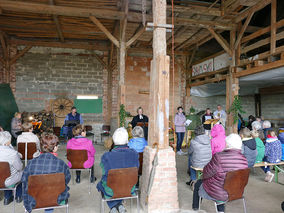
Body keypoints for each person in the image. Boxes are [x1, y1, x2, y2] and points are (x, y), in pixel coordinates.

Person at [192, 133, 248, 212]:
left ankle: (195, 209)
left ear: (227, 144)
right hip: (236, 192)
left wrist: (204, 175)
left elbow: (206, 173)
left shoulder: (219, 157)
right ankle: (220, 211)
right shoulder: (244, 159)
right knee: (223, 183)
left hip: (219, 194)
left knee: (198, 183)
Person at [22, 133, 70, 213]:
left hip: (34, 198)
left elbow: (24, 181)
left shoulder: (31, 164)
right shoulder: (60, 164)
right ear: (54, 148)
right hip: (56, 197)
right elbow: (67, 179)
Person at [97, 127, 139, 213]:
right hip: (129, 188)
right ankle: (119, 205)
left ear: (114, 141)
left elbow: (105, 173)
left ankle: (113, 207)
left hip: (112, 190)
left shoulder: (106, 156)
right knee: (120, 184)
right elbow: (136, 169)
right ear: (127, 140)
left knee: (102, 184)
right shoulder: (135, 154)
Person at [0, 131, 23, 205]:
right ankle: (19, 196)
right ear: (7, 142)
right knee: (23, 172)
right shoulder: (12, 153)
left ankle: (7, 197)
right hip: (7, 181)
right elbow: (19, 167)